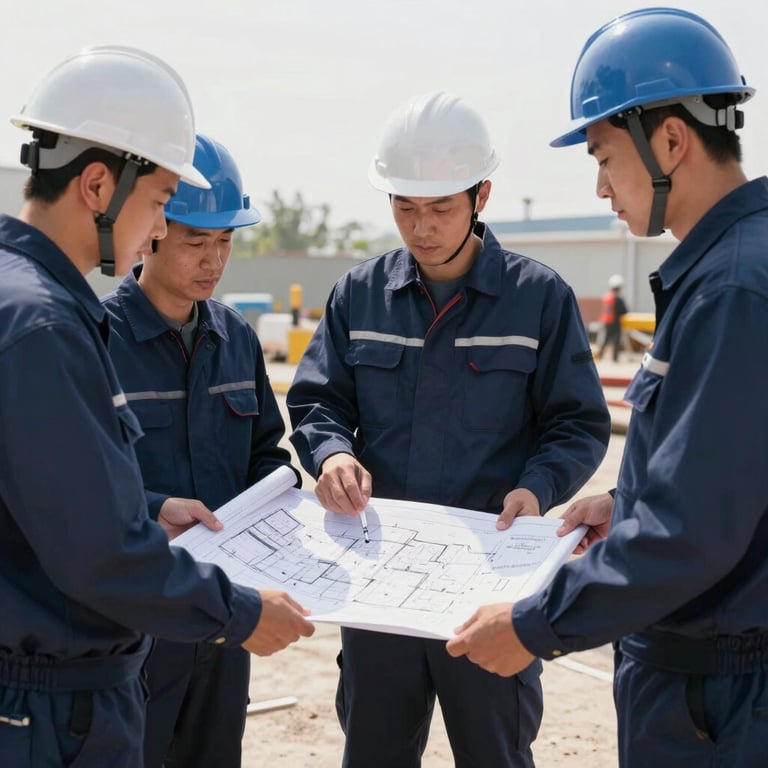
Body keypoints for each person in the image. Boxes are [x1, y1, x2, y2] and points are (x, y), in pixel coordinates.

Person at [447, 8, 768, 767]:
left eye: (603, 157)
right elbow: (735, 478)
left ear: (671, 140)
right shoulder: (735, 269)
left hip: (716, 700)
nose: (599, 188)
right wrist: (629, 503)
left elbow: (691, 533)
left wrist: (533, 623)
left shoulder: (732, 290)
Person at [0, 46, 313, 768]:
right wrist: (238, 613)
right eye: (161, 202)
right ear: (99, 185)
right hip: (50, 705)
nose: (159, 228)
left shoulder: (27, 300)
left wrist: (143, 510)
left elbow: (52, 500)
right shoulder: (45, 325)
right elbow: (100, 553)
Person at [287, 91, 610, 767]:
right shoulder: (359, 294)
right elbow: (319, 402)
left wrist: (538, 484)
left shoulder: (537, 298)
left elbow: (577, 422)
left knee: (494, 752)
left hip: (490, 585)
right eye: (406, 207)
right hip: (381, 585)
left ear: (482, 195)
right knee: (374, 750)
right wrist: (332, 456)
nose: (421, 227)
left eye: (439, 208)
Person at [101, 134, 297, 768]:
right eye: (196, 241)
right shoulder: (98, 340)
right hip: (135, 624)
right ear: (154, 228)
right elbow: (78, 484)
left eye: (225, 241)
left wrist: (280, 495)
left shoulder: (235, 337)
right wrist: (156, 506)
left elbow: (267, 451)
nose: (214, 261)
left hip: (224, 614)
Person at [597, 273, 628, 361]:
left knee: (605, 340)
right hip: (615, 322)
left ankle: (600, 355)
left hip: (606, 321)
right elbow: (624, 311)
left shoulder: (606, 296)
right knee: (616, 341)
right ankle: (615, 358)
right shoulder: (617, 298)